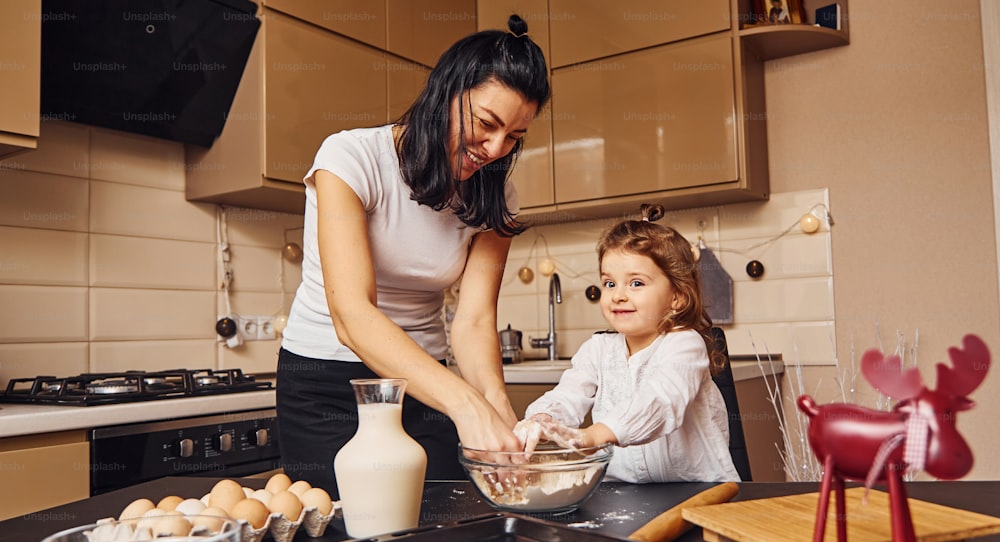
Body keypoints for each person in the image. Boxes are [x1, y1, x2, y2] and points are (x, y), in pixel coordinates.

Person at [276, 15, 551, 495]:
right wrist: (466, 405)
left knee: (444, 517)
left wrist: (495, 405)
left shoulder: (495, 195)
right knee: (347, 531)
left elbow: (473, 320)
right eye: (487, 124)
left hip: (424, 385)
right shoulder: (350, 158)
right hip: (326, 382)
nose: (494, 148)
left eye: (513, 137)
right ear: (446, 91)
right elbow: (352, 315)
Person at [514, 204, 740, 483]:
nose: (618, 295)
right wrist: (542, 419)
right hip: (621, 491)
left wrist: (595, 434)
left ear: (677, 297)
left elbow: (660, 401)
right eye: (610, 284)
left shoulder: (685, 345)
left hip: (699, 492)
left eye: (636, 283)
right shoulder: (597, 350)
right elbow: (568, 395)